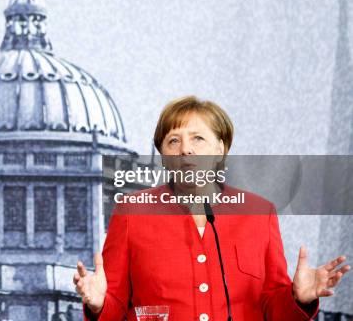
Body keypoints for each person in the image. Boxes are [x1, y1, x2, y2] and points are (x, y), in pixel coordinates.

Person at [73, 96, 350, 320]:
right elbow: (115, 307)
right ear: (163, 157)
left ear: (220, 149)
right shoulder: (132, 211)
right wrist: (99, 304)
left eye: (198, 139)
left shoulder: (258, 212)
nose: (186, 150)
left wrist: (299, 298)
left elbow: (272, 307)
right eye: (173, 141)